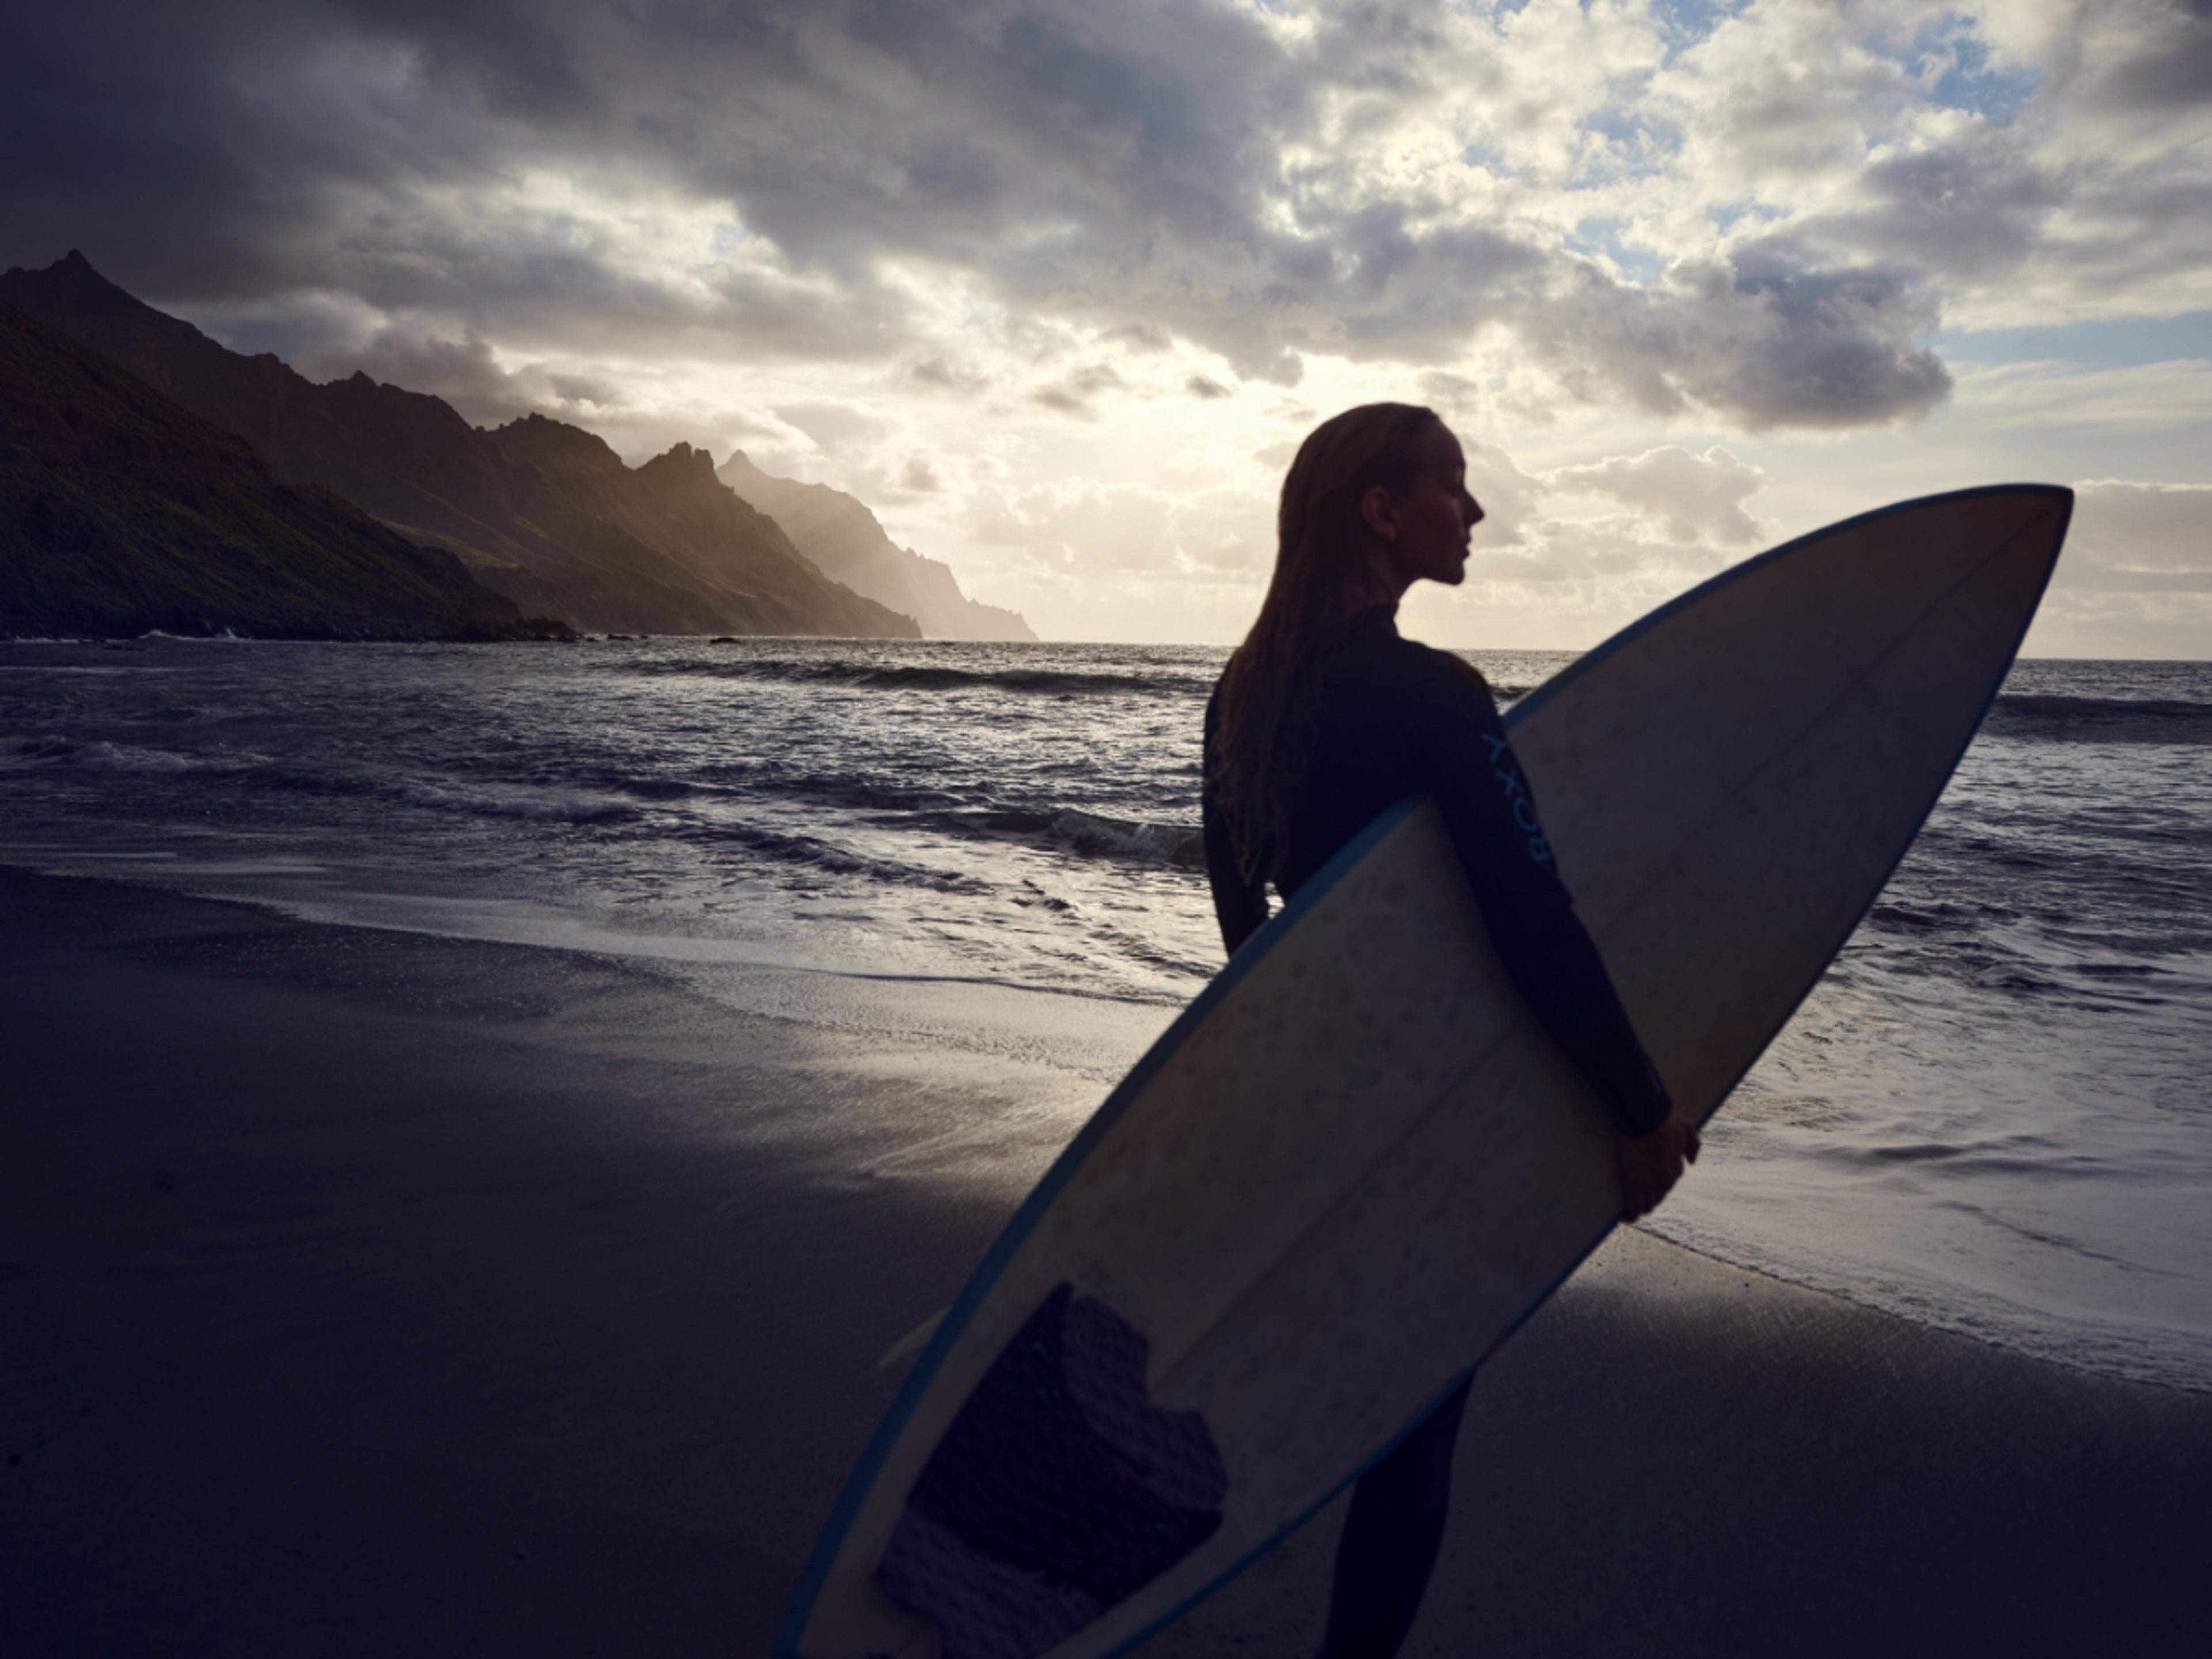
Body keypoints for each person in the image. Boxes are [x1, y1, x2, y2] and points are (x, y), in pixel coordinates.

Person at [1200, 403, 1700, 1659]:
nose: (1476, 514)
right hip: (1431, 1118)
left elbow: (1244, 942)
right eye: (1454, 488)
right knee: (1416, 1429)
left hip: (1307, 1114)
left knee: (1348, 1403)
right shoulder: (1435, 694)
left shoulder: (1240, 698)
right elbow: (1529, 911)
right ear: (1381, 510)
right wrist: (1637, 1104)